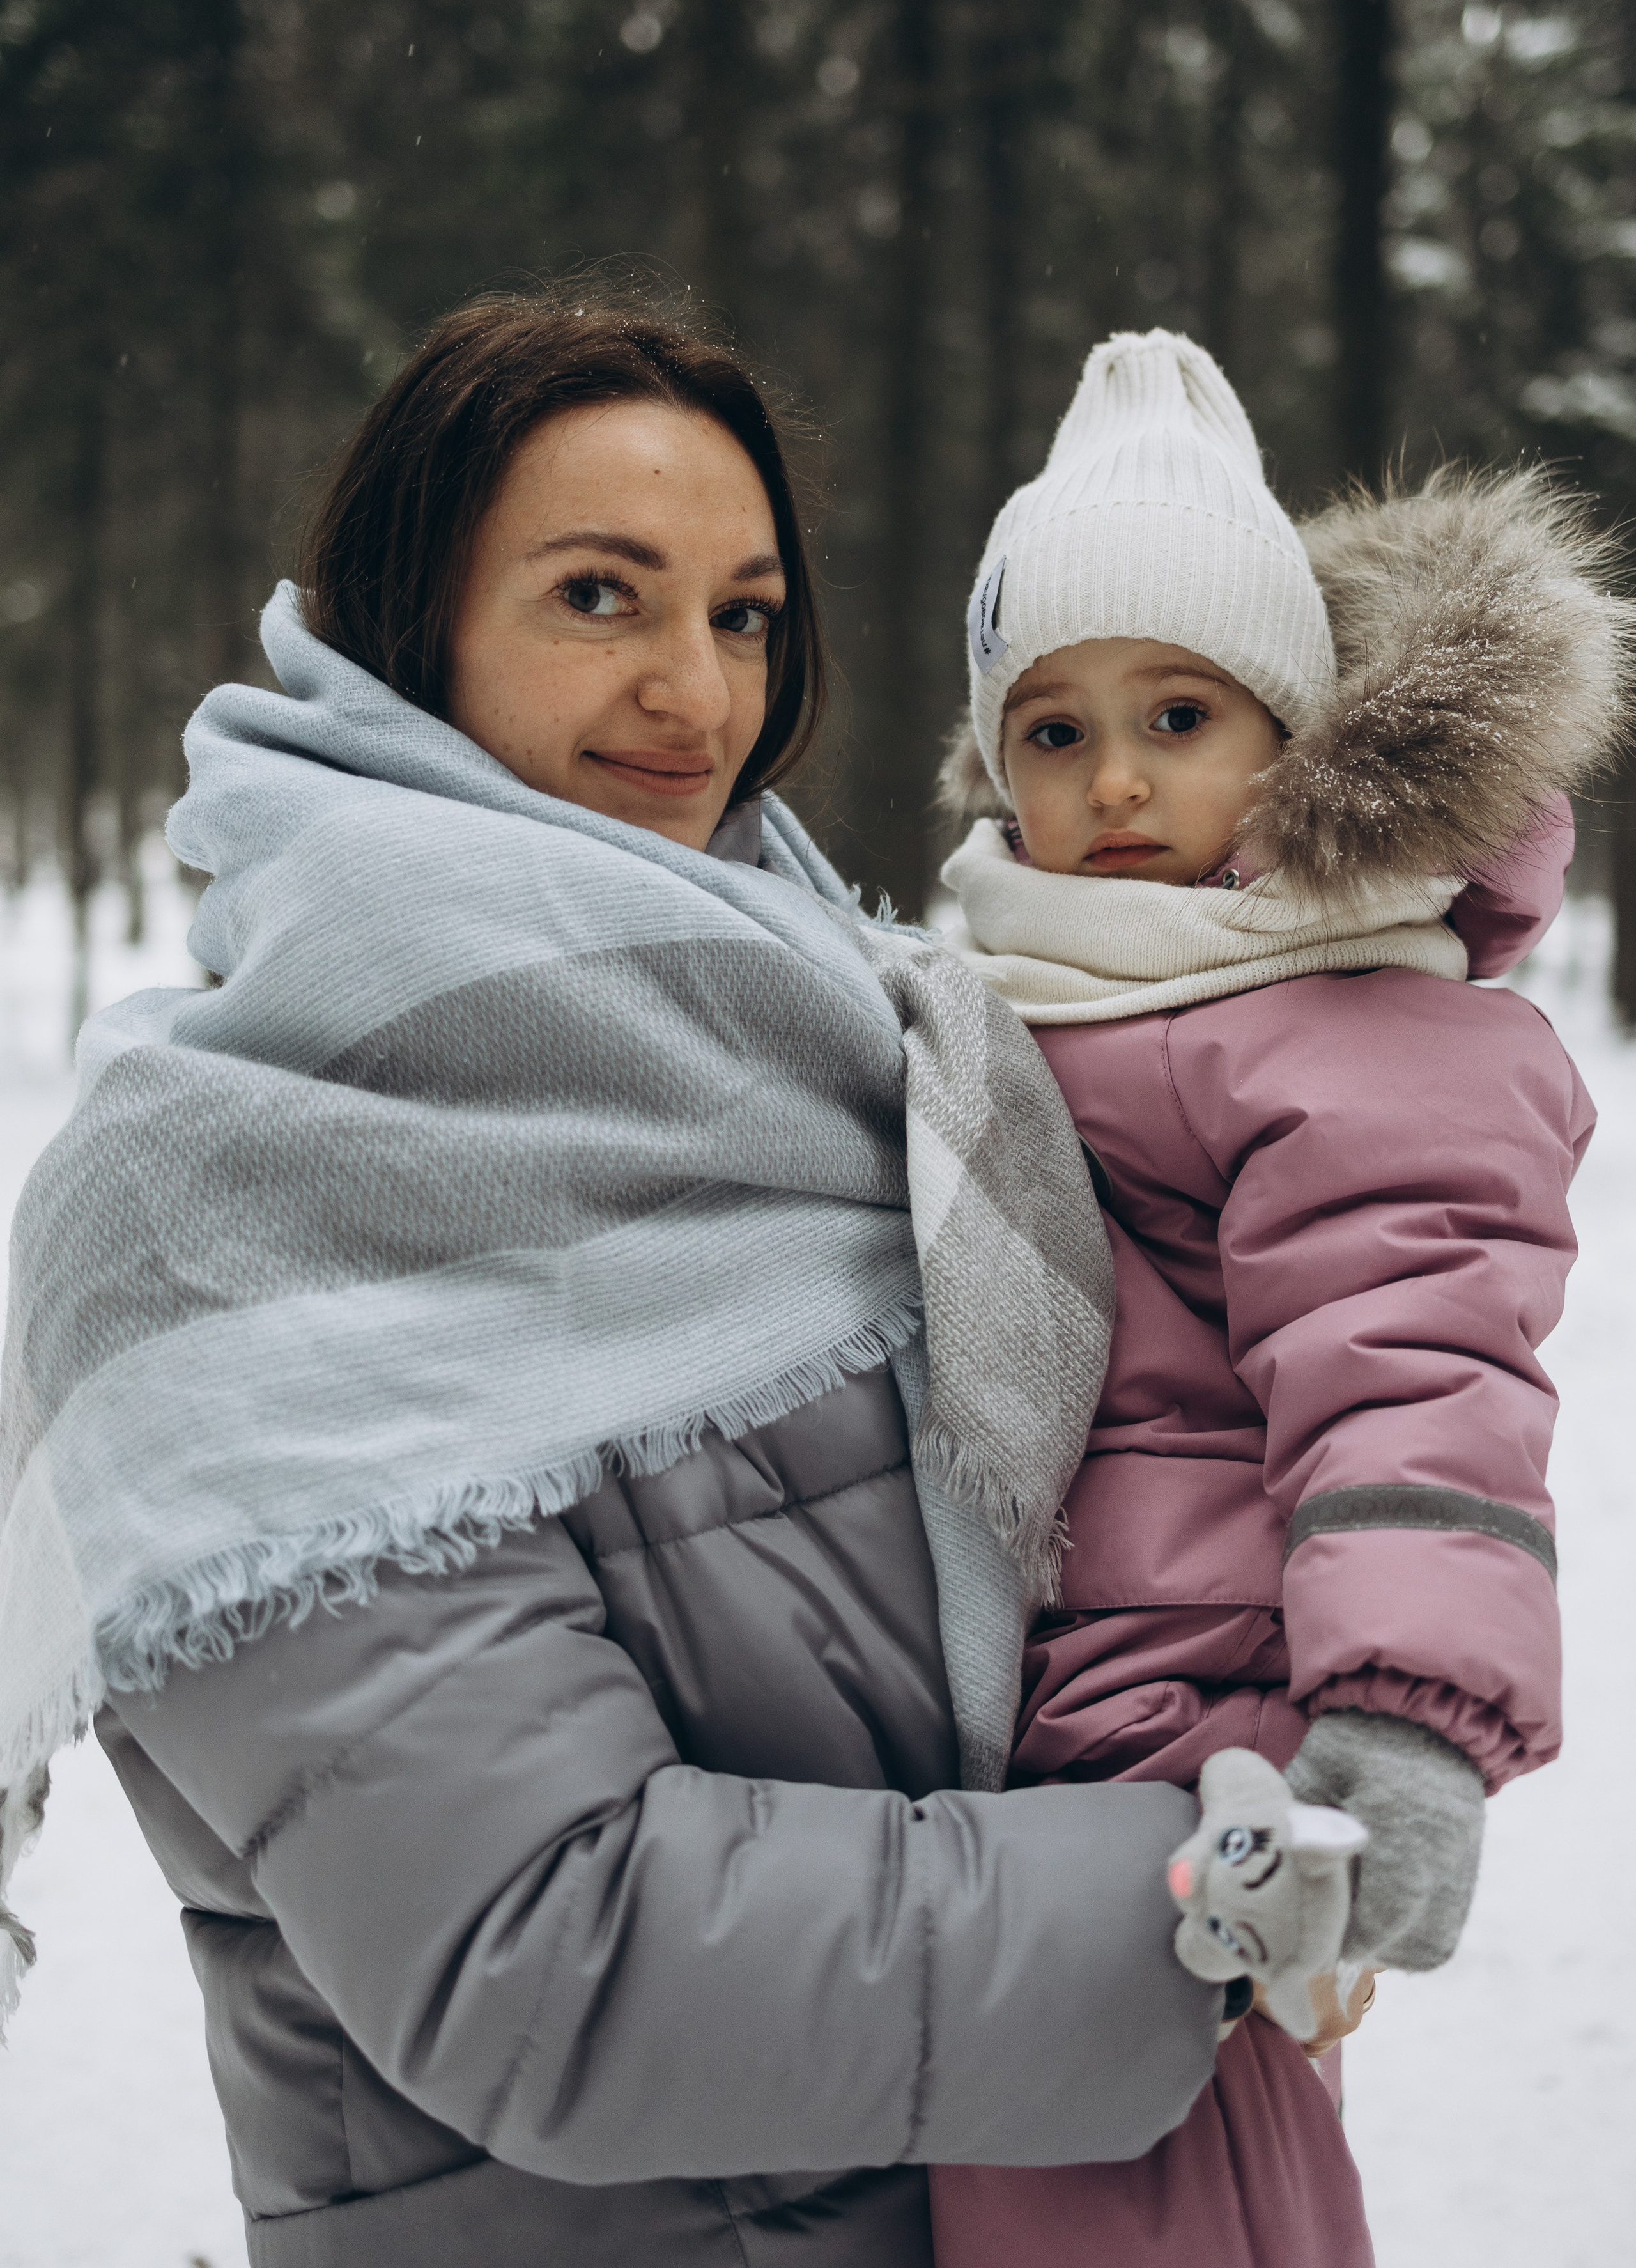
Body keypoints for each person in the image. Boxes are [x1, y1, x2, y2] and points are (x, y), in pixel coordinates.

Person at [0, 294, 1230, 2268]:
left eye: (743, 615)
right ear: (413, 628)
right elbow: (544, 1954)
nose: (698, 693)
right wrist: (1196, 1904)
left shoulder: (858, 1057)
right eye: (601, 595)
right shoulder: (223, 1194)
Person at [927, 329, 1624, 2267]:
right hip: (1029, 1707)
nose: (1115, 779)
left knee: (1149, 2184)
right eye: (1051, 731)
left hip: (1202, 1739)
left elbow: (1410, 1368)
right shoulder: (1033, 976)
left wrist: (1406, 1720)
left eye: (1179, 713)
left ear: (1294, 741)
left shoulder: (1347, 1023)